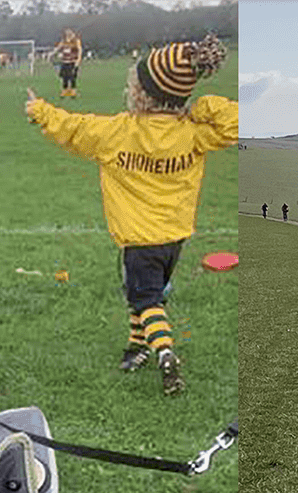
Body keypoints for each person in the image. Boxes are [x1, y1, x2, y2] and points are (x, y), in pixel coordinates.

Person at [24, 36, 236, 395]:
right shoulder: (194, 134)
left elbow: (72, 128)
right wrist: (202, 108)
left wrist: (40, 111)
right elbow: (234, 121)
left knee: (145, 299)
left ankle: (164, 351)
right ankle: (136, 347)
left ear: (142, 94)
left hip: (139, 240)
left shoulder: (118, 132)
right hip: (175, 239)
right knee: (144, 293)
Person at [54, 28, 82, 98]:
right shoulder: (63, 42)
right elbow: (58, 48)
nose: (68, 35)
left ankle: (73, 91)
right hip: (64, 61)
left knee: (72, 77)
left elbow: (79, 50)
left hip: (72, 62)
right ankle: (65, 91)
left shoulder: (76, 41)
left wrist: (78, 60)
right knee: (64, 77)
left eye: (70, 34)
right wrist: (52, 53)